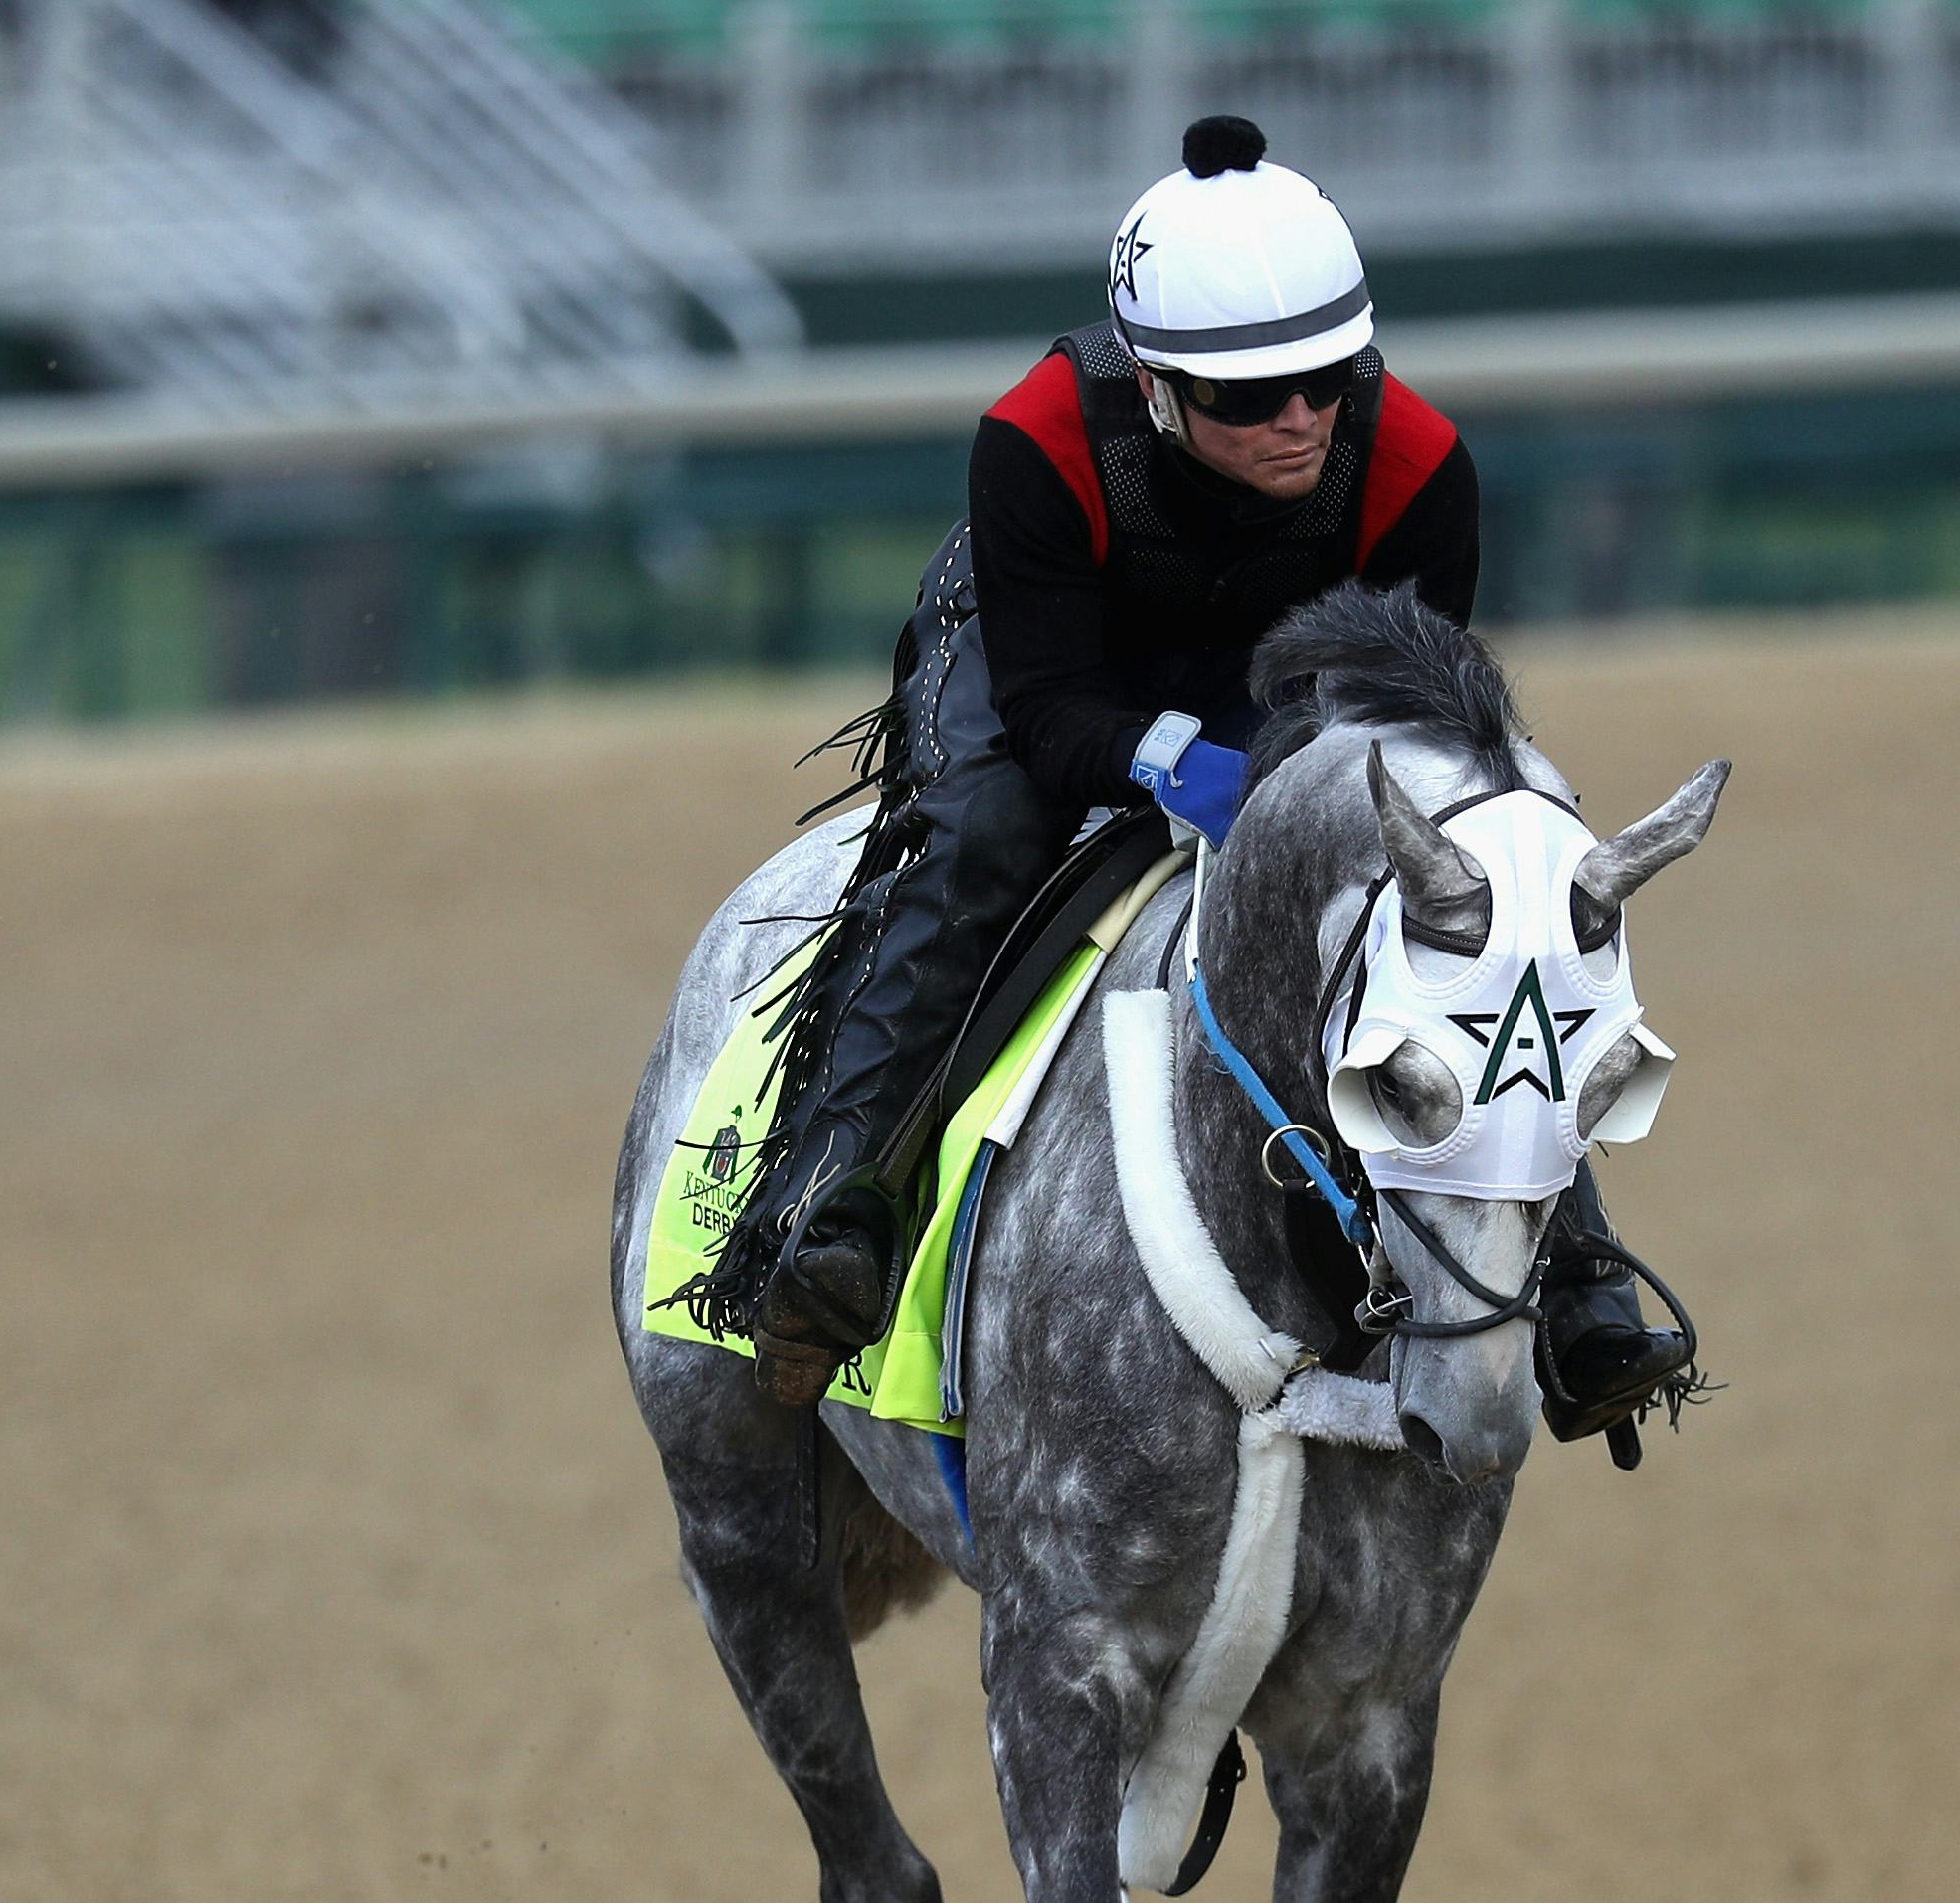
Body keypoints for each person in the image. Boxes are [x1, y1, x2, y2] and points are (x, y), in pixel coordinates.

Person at [693, 114, 1694, 1446]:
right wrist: (1172, 762)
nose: (1299, 419)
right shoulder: (1037, 440)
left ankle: (1571, 1273)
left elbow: (1413, 730)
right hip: (1055, 665)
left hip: (1289, 678)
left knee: (1460, 895)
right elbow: (1049, 713)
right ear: (1159, 389)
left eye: (1327, 379)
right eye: (1246, 398)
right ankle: (831, 1206)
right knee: (982, 834)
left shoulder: (1418, 467)